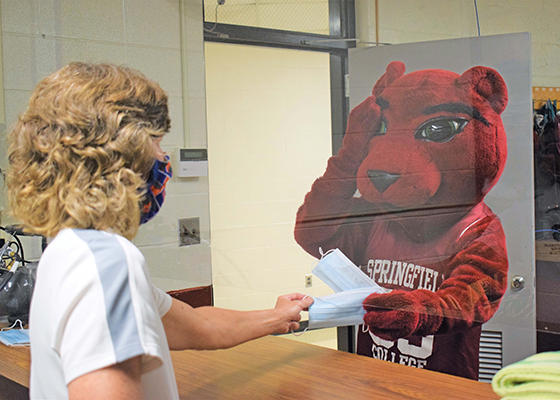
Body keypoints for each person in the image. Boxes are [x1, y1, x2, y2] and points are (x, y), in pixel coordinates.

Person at [7, 62, 313, 400]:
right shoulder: (107, 262)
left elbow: (200, 327)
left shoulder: (68, 251)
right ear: (123, 152)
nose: (162, 156)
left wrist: (277, 316)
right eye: (155, 140)